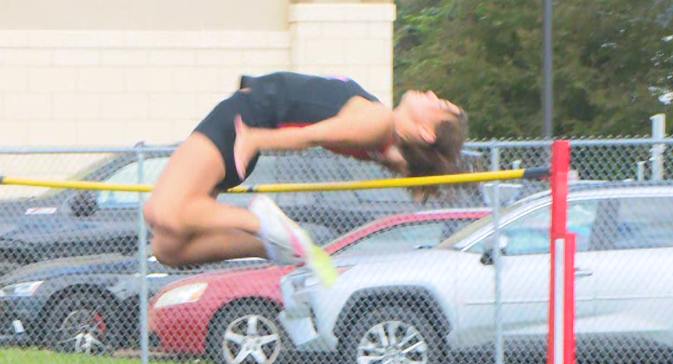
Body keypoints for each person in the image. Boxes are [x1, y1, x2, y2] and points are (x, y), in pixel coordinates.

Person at [143, 71, 467, 282]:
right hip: (249, 131)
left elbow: (311, 135)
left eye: (438, 104)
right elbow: (399, 158)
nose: (430, 94)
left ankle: (263, 222)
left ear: (426, 132)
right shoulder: (382, 140)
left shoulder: (378, 121)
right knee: (168, 248)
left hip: (245, 123)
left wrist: (255, 138)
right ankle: (274, 246)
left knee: (162, 212)